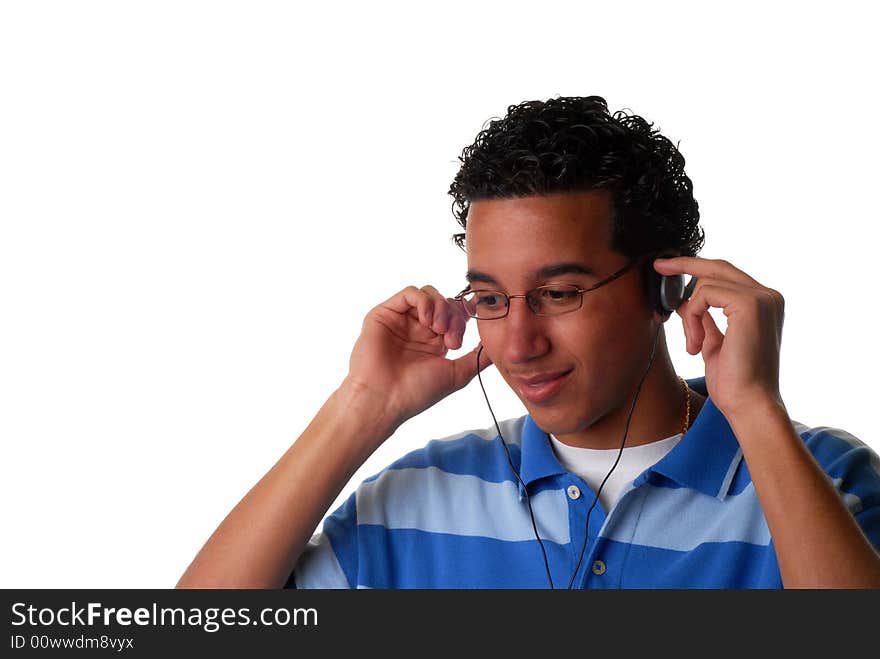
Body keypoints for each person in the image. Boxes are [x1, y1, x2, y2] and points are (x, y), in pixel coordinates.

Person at [176, 95, 880, 589]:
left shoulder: (823, 479)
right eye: (489, 298)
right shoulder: (420, 495)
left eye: (559, 293)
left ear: (666, 288)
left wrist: (756, 410)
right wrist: (361, 406)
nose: (518, 343)